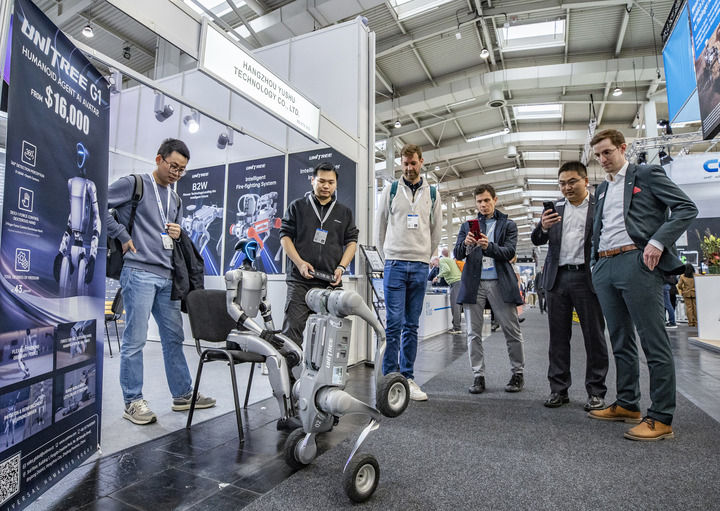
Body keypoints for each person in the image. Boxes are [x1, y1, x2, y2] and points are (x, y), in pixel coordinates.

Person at [587, 129, 698, 441]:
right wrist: (595, 263)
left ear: (623, 148)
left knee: (653, 341)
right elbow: (600, 227)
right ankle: (627, 403)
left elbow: (686, 207)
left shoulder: (646, 175)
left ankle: (661, 417)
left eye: (607, 152)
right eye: (597, 155)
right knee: (620, 340)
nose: (602, 159)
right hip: (605, 265)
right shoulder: (602, 189)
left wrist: (658, 242)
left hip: (637, 262)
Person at [106, 138, 216, 426]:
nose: (176, 173)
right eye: (173, 166)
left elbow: (169, 235)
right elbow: (97, 204)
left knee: (173, 338)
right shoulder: (135, 184)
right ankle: (133, 401)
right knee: (135, 340)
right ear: (159, 159)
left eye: (182, 170)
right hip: (138, 272)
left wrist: (178, 233)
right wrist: (122, 235)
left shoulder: (176, 199)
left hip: (167, 277)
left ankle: (183, 394)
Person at [531, 161, 609, 411]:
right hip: (557, 279)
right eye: (562, 183)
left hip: (588, 278)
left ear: (585, 181)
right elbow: (536, 239)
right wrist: (543, 227)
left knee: (594, 336)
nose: (567, 187)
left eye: (572, 181)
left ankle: (596, 391)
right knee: (558, 338)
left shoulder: (599, 206)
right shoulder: (555, 209)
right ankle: (558, 389)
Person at [375, 143, 443, 401]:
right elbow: (380, 226)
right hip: (394, 264)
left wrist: (425, 256)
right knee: (393, 325)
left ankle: (407, 377)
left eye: (413, 163)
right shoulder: (391, 190)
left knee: (411, 326)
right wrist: (386, 258)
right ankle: (389, 379)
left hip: (419, 266)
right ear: (400, 164)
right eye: (405, 164)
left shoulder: (432, 194)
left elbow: (436, 231)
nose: (409, 168)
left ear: (421, 162)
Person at [454, 184, 525, 395]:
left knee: (511, 330)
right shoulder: (467, 226)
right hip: (473, 284)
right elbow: (457, 254)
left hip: (500, 282)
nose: (483, 205)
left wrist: (488, 247)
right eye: (479, 201)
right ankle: (478, 376)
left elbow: (509, 252)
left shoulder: (508, 225)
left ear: (495, 200)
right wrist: (466, 244)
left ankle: (518, 373)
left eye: (486, 200)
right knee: (473, 333)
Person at [279, 161, 359, 346]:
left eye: (331, 182)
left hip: (330, 282)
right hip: (300, 281)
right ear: (312, 180)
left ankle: (324, 367)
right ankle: (291, 366)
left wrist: (341, 267)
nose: (326, 186)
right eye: (321, 181)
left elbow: (352, 242)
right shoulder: (297, 207)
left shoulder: (344, 212)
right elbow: (285, 237)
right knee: (292, 333)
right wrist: (299, 263)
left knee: (331, 339)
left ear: (336, 184)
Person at [436, 247, 462, 333]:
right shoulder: (448, 259)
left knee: (455, 306)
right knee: (457, 306)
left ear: (436, 260)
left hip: (456, 282)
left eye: (434, 264)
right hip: (458, 282)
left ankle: (456, 328)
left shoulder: (442, 260)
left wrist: (437, 276)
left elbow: (447, 270)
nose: (435, 266)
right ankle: (457, 326)